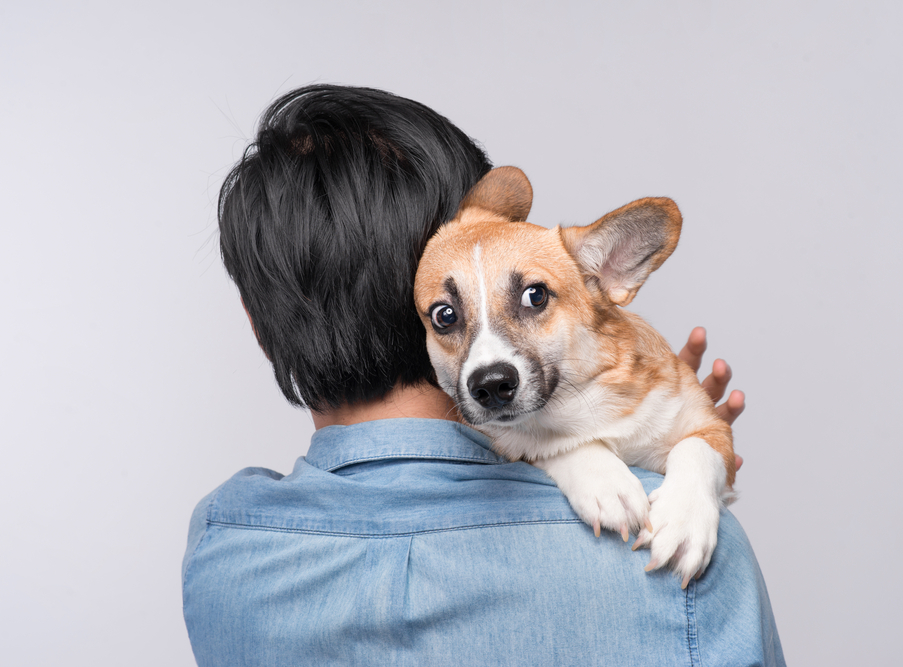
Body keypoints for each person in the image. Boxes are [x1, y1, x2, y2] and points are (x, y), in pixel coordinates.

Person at [183, 84, 785, 666]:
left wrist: (639, 433)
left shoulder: (222, 547)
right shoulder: (690, 548)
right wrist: (680, 472)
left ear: (260, 327)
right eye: (449, 315)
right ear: (418, 304)